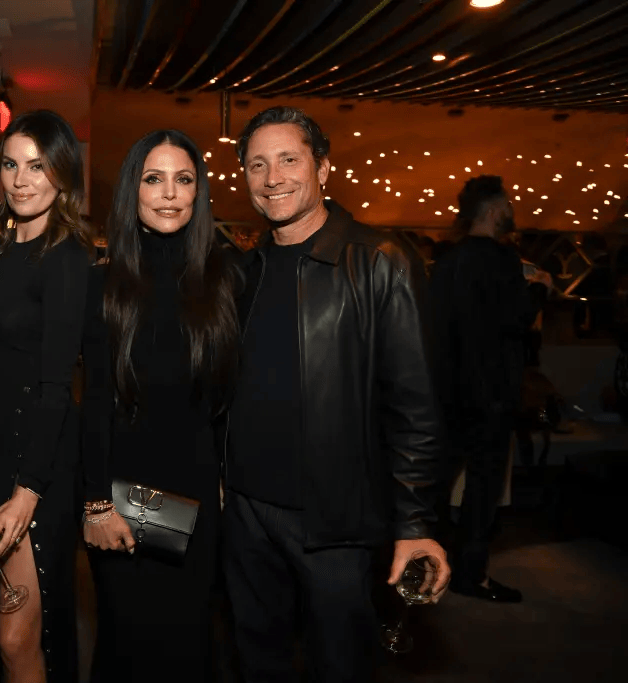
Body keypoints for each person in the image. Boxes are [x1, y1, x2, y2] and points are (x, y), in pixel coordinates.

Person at [223, 106, 450, 683]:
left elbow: (416, 406)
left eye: (288, 160)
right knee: (257, 662)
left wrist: (416, 522)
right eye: (256, 164)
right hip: (246, 514)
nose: (272, 177)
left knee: (340, 666)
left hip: (335, 523)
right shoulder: (244, 271)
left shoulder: (379, 260)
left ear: (324, 169)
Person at [80, 129, 239, 682]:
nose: (169, 193)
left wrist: (226, 476)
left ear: (199, 193)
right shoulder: (105, 283)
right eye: (154, 179)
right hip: (127, 499)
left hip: (199, 492)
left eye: (183, 179)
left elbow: (231, 398)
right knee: (130, 644)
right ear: (133, 190)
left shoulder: (224, 279)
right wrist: (97, 502)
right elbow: (96, 401)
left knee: (189, 645)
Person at [0, 110, 95, 683]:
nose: (21, 180)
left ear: (62, 174)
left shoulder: (67, 256)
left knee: (17, 633)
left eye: (37, 166)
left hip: (35, 466)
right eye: (10, 165)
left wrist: (28, 492)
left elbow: (54, 387)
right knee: (5, 627)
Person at [430, 175, 550, 602]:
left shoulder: (446, 262)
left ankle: (429, 567)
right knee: (482, 494)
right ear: (495, 209)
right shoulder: (503, 262)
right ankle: (471, 575)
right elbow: (518, 322)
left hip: (447, 396)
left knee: (436, 489)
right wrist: (538, 291)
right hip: (492, 397)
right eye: (509, 200)